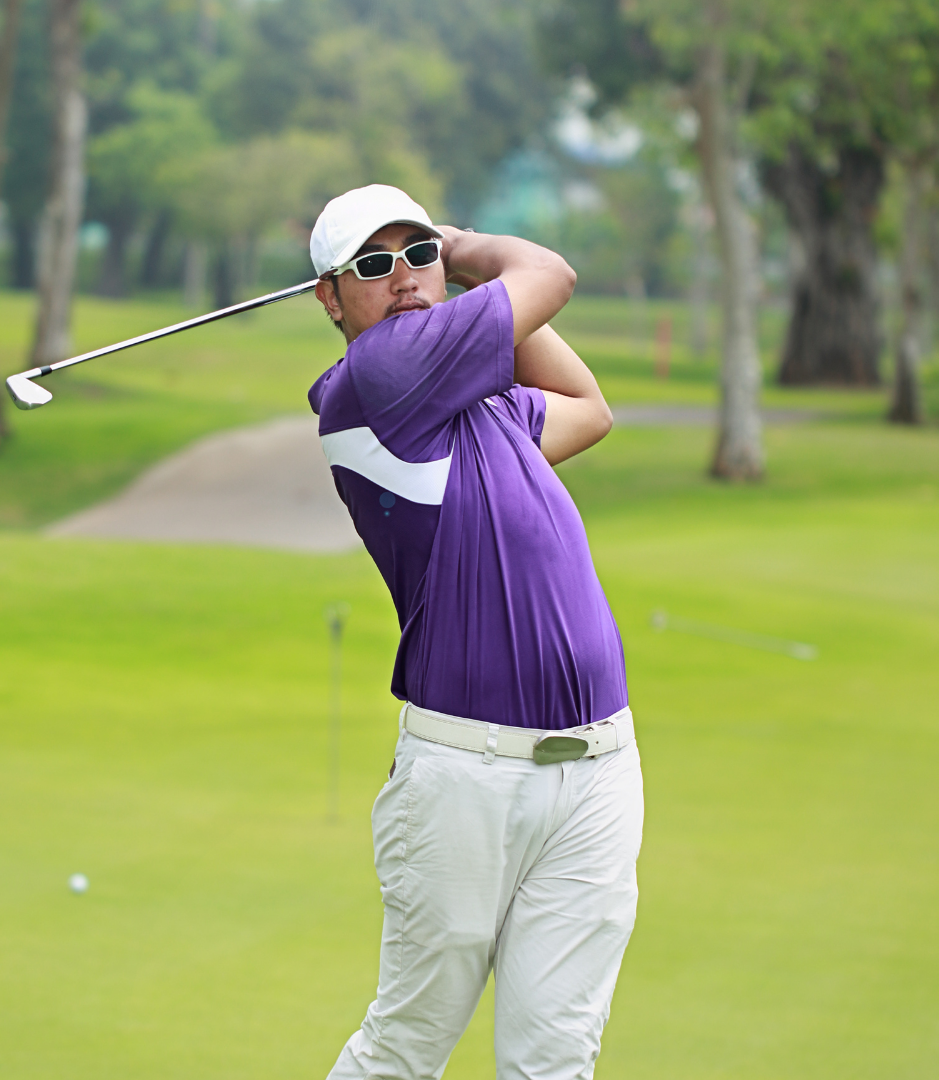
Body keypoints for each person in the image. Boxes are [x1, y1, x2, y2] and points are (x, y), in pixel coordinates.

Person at [308, 185, 644, 1080]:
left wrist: (480, 314)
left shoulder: (480, 408)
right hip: (467, 775)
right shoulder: (380, 380)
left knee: (556, 1056)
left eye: (414, 254)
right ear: (331, 301)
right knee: (406, 1048)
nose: (404, 279)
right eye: (372, 267)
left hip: (598, 770)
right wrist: (463, 250)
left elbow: (587, 409)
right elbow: (551, 273)